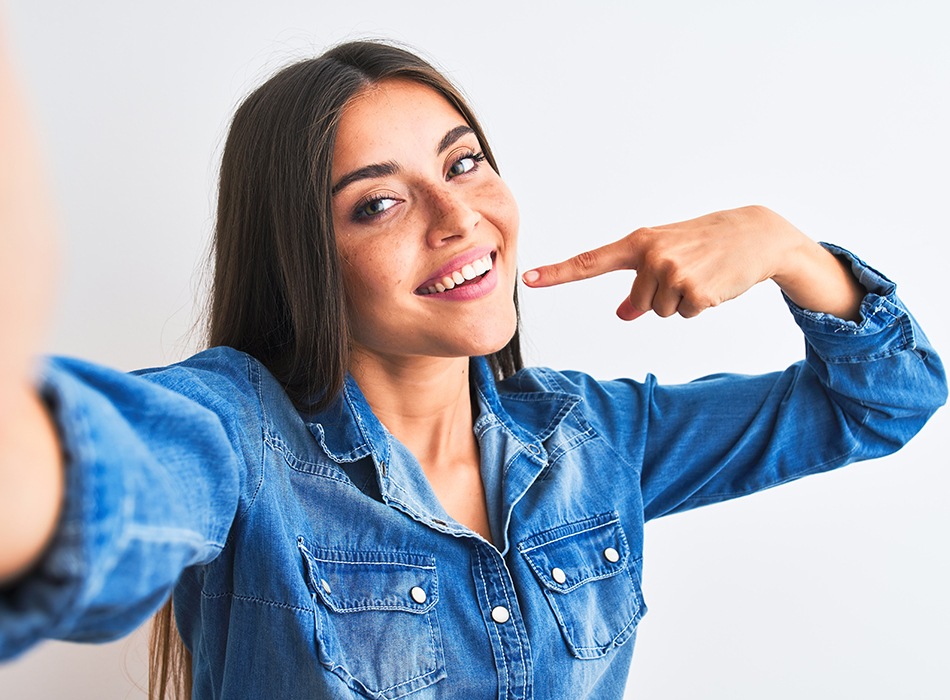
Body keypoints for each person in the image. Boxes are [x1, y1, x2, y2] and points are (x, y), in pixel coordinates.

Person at [0, 38, 945, 700]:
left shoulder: (594, 440)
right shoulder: (233, 433)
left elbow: (878, 405)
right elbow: (86, 497)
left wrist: (786, 248)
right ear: (302, 260)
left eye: (463, 165)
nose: (457, 220)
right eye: (377, 205)